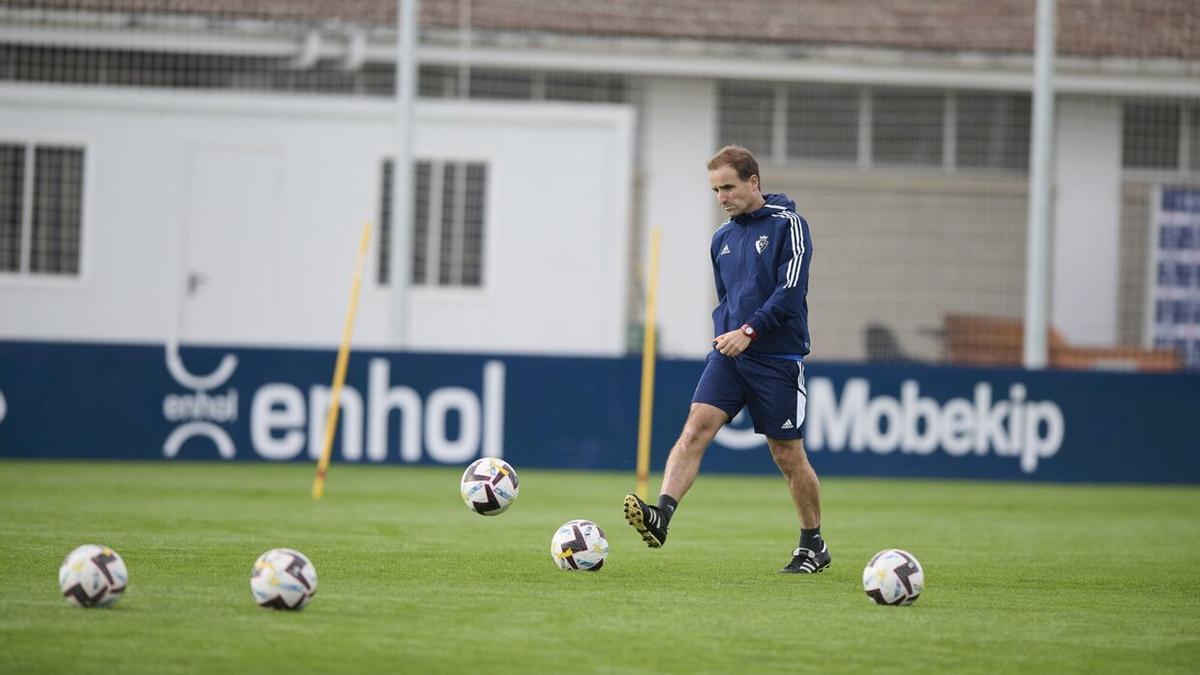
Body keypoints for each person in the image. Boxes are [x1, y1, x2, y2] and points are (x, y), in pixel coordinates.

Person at [623, 144, 829, 574]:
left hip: (776, 358)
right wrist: (731, 334)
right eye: (715, 190)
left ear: (753, 181)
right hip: (730, 355)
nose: (722, 198)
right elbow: (728, 297)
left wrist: (750, 331)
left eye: (728, 187)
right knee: (696, 426)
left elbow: (790, 292)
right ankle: (661, 515)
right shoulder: (721, 238)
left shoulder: (789, 225)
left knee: (787, 454)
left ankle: (813, 545)